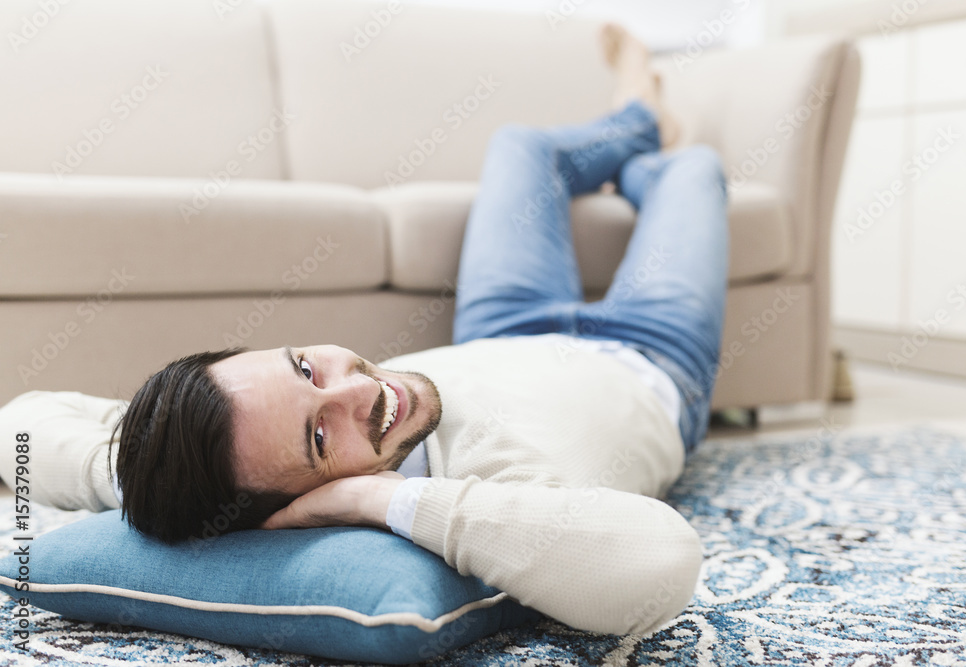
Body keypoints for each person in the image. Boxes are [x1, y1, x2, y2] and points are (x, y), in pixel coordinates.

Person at [0, 24, 729, 635]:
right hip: (652, 351)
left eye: (304, 368)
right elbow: (662, 563)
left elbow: (20, 424)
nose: (359, 391)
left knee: (521, 146)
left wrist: (135, 480)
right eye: (321, 436)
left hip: (501, 322)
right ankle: (648, 148)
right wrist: (377, 500)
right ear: (296, 508)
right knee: (690, 169)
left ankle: (635, 117)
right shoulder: (490, 490)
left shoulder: (217, 444)